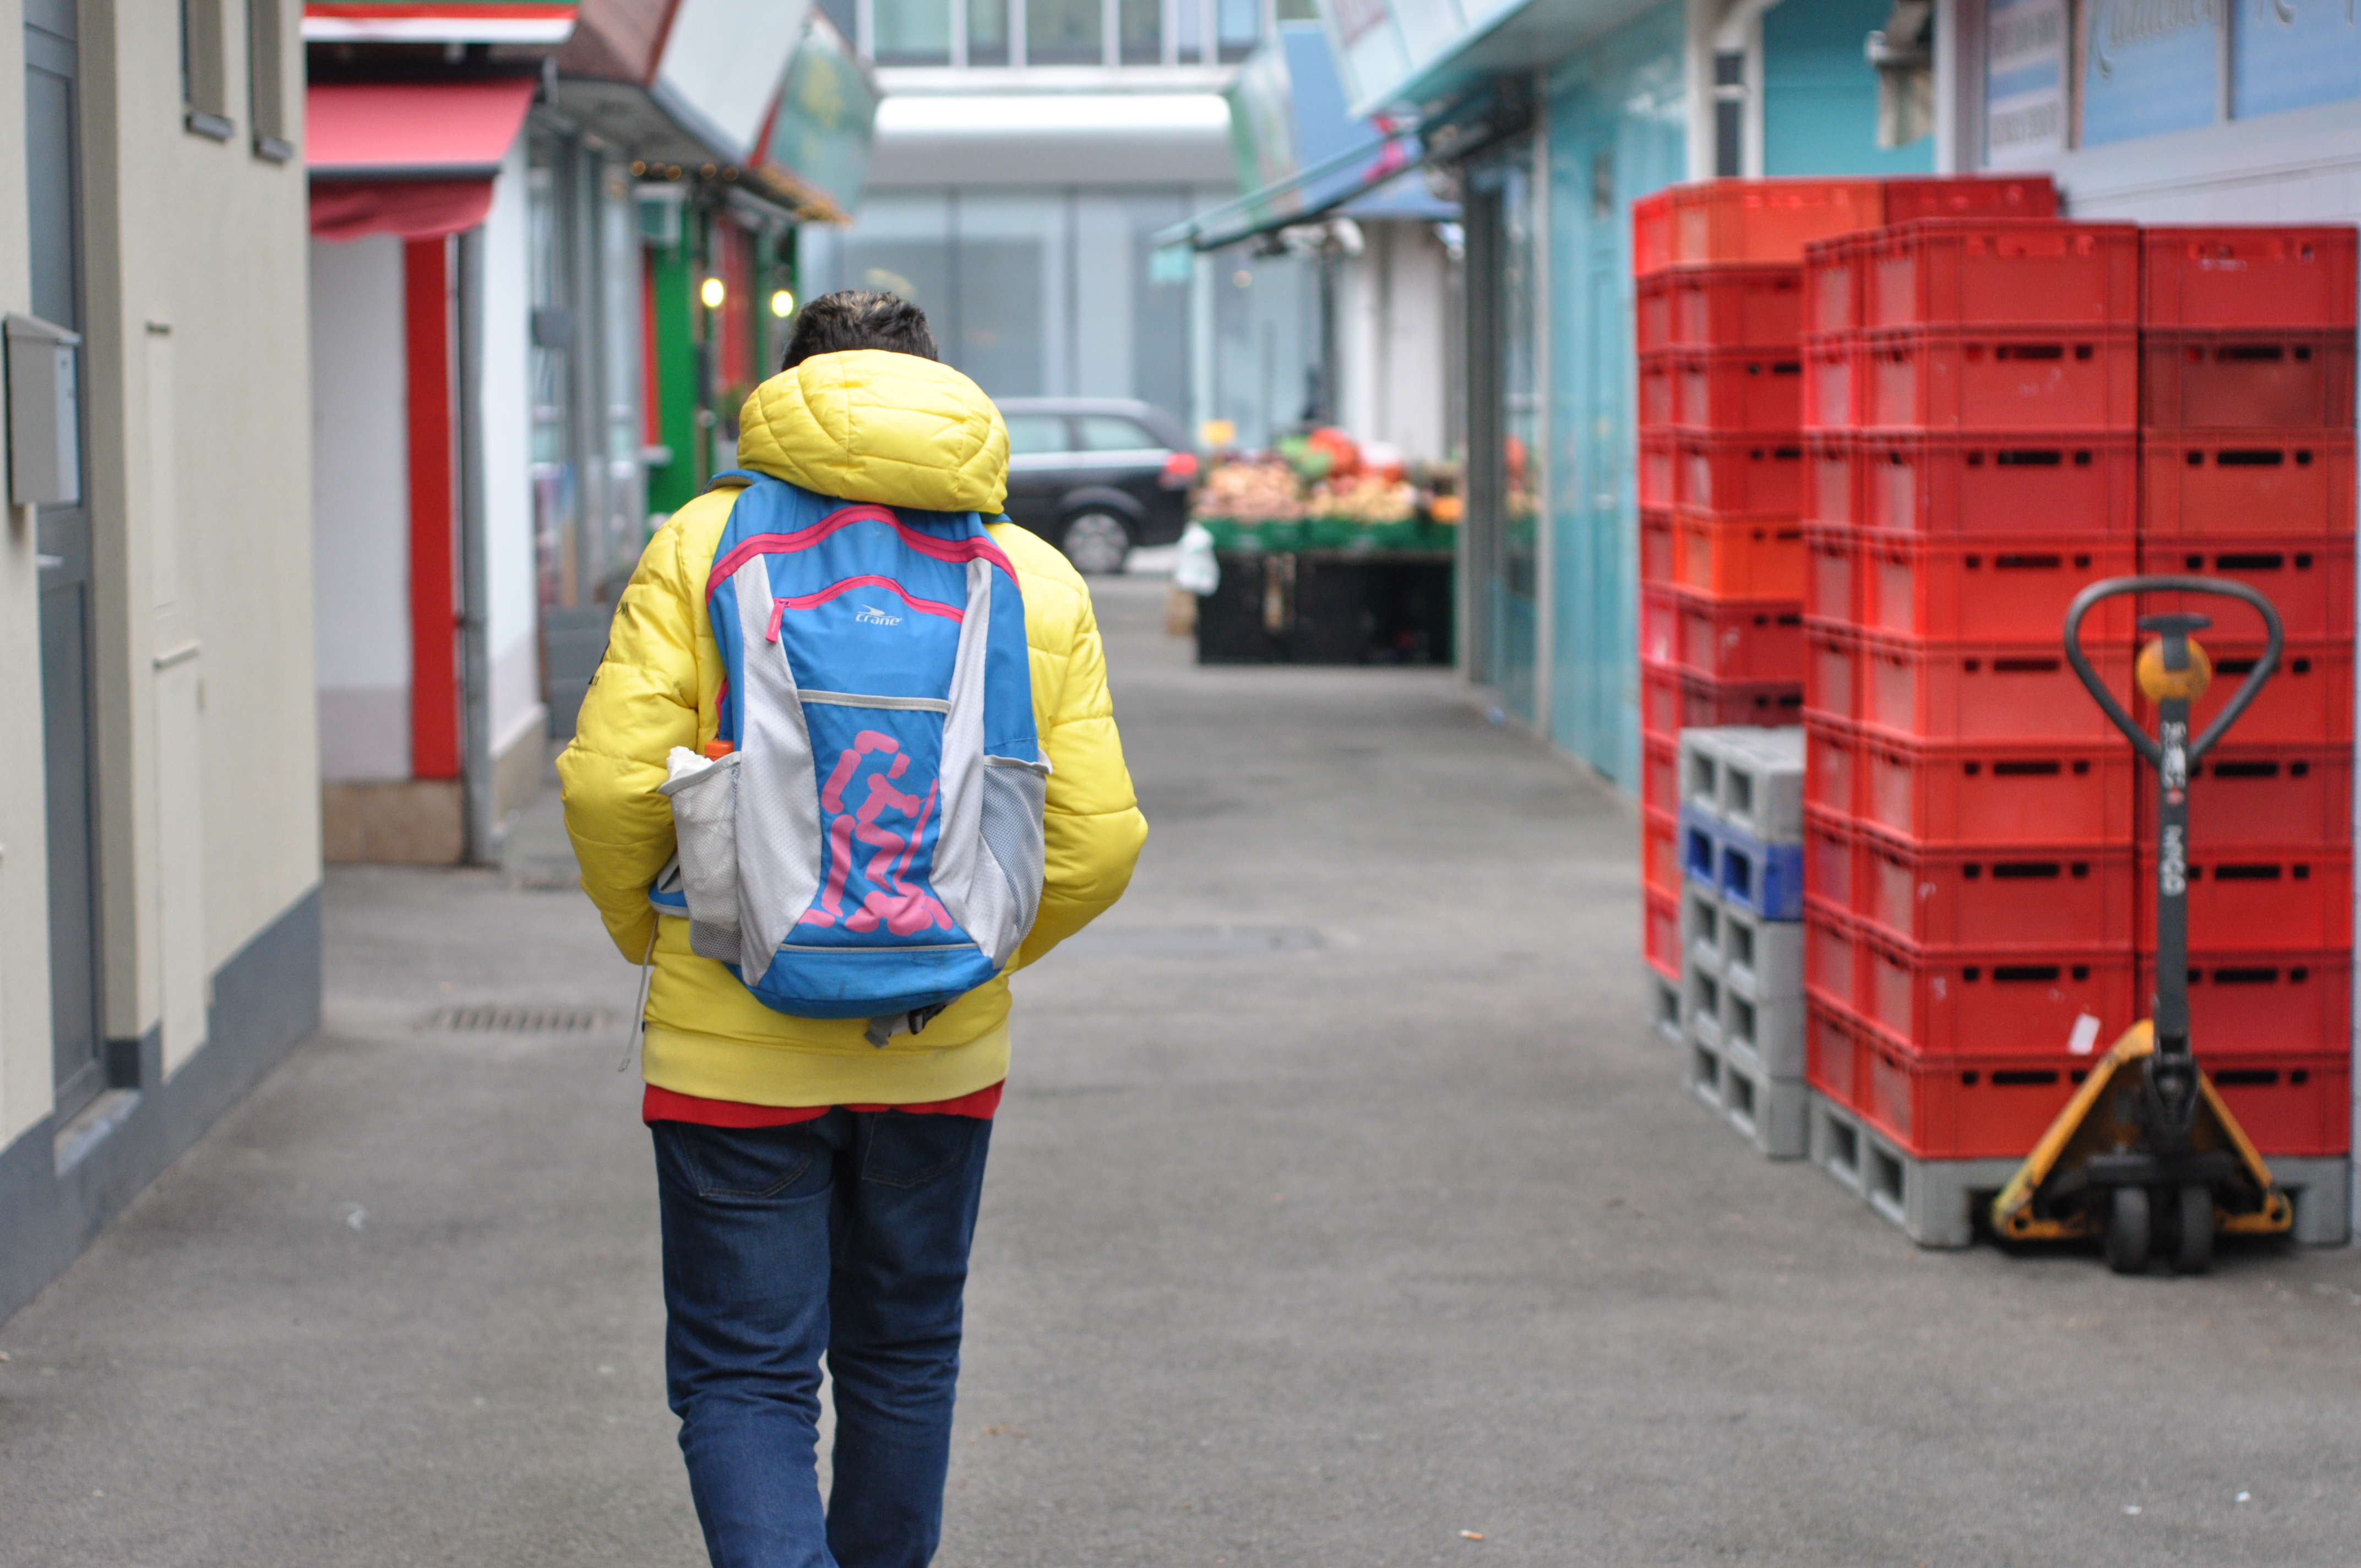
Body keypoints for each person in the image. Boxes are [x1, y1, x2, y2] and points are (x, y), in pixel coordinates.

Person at [559, 289, 1147, 1568]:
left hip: (728, 1044)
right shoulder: (1033, 573)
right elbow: (1098, 842)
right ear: (938, 393)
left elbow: (610, 785)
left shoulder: (700, 541)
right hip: (939, 1045)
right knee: (904, 1350)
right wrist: (963, 946)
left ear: (785, 394)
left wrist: (671, 936)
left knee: (744, 1375)